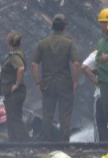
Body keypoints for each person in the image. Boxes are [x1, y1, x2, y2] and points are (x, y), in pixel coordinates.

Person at [30, 14, 80, 142]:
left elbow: (34, 64)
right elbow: (75, 63)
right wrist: (75, 82)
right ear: (64, 28)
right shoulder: (69, 43)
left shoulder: (42, 43)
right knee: (64, 116)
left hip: (47, 85)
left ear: (52, 27)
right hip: (65, 84)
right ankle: (64, 144)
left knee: (47, 115)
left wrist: (38, 83)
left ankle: (48, 142)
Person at [90, 7, 108, 141]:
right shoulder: (102, 41)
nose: (101, 25)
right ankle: (103, 147)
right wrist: (96, 69)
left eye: (103, 22)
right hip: (103, 87)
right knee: (100, 120)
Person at [0, 31, 29, 141]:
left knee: (15, 119)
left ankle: (26, 142)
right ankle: (13, 143)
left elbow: (20, 68)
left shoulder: (15, 56)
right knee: (11, 119)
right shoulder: (17, 53)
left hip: (15, 92)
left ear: (8, 42)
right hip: (12, 93)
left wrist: (16, 84)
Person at [81, 49, 107, 142]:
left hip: (100, 94)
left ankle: (103, 147)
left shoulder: (97, 52)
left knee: (100, 124)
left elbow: (84, 67)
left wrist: (95, 81)